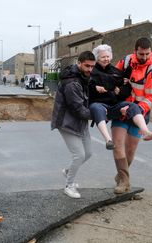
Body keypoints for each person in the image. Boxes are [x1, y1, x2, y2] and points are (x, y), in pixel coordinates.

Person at [111, 37, 152, 194]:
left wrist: (135, 110)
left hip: (140, 112)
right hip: (121, 110)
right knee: (117, 144)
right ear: (135, 52)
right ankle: (124, 181)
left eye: (147, 54)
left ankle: (121, 175)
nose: (145, 57)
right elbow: (113, 78)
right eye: (141, 54)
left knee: (130, 149)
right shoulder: (125, 61)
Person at [89, 44, 152, 151]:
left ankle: (146, 132)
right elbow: (86, 86)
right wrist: (95, 88)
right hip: (99, 104)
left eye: (108, 56)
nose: (106, 59)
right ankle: (108, 140)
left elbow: (126, 88)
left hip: (114, 105)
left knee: (133, 106)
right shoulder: (91, 71)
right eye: (103, 57)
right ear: (96, 58)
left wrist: (120, 91)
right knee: (96, 107)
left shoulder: (116, 71)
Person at [51, 51, 96, 199]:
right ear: (79, 63)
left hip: (79, 122)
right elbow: (77, 109)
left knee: (88, 153)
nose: (90, 69)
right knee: (79, 155)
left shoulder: (84, 78)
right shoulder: (72, 82)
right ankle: (69, 186)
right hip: (66, 122)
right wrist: (98, 115)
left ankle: (67, 172)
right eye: (87, 66)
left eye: (92, 66)